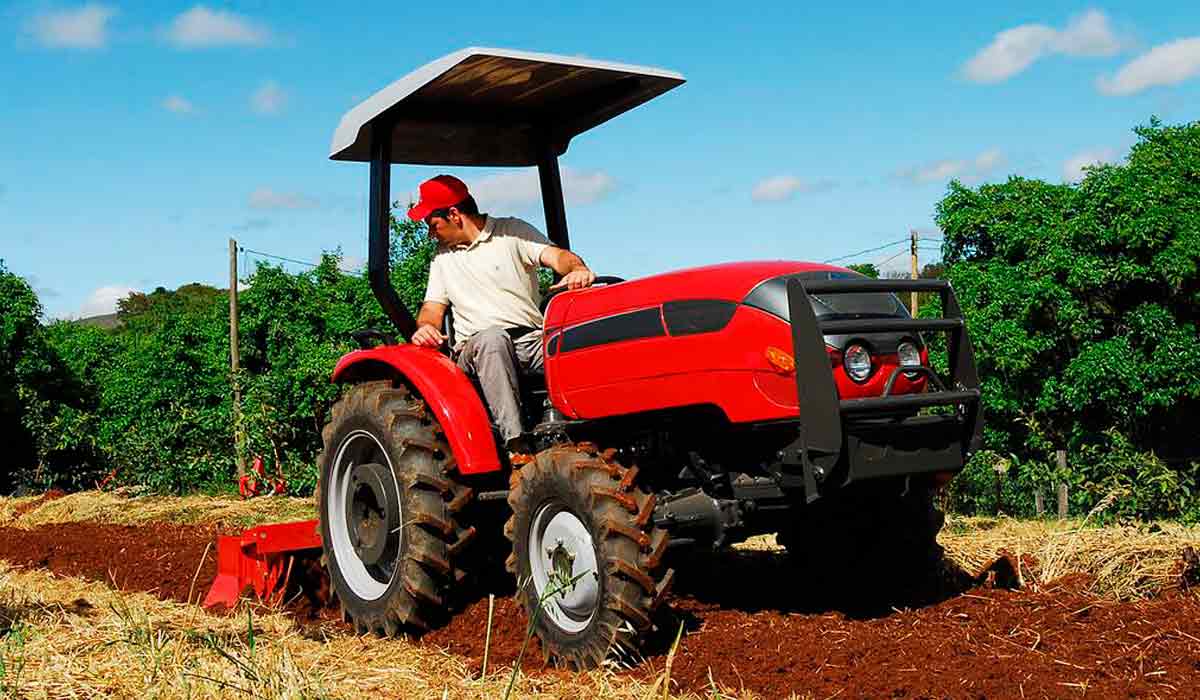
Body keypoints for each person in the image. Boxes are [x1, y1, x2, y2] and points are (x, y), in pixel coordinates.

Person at [406, 174, 595, 458]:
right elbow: (432, 309)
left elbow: (558, 257)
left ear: (455, 214)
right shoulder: (442, 258)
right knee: (493, 339)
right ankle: (517, 447)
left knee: (578, 345)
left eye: (433, 225)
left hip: (530, 341)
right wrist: (425, 328)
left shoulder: (511, 232)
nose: (432, 234)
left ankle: (598, 432)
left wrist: (577, 269)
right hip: (478, 348)